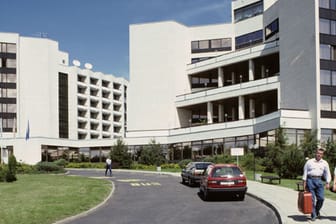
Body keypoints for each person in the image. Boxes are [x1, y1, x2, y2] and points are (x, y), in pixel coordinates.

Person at [302, 147, 331, 221]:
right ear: (316, 153)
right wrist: (304, 183)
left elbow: (327, 173)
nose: (319, 155)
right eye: (318, 153)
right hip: (310, 180)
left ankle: (316, 211)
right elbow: (305, 172)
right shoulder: (309, 162)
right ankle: (313, 215)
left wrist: (328, 182)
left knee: (321, 199)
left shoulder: (325, 163)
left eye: (321, 154)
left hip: (319, 180)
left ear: (322, 155)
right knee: (312, 199)